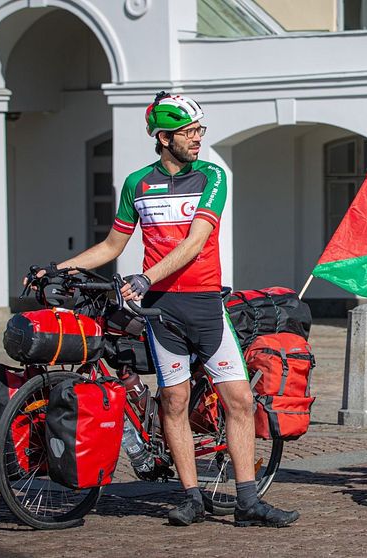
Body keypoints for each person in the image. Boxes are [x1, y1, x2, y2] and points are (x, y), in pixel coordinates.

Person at [43, 92, 299, 527]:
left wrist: (145, 277)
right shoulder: (137, 184)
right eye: (189, 132)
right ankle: (191, 496)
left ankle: (248, 500)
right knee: (174, 401)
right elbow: (111, 245)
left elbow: (196, 241)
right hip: (161, 313)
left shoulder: (212, 176)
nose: (198, 138)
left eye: (200, 130)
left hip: (204, 305)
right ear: (164, 138)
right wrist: (54, 269)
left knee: (238, 400)